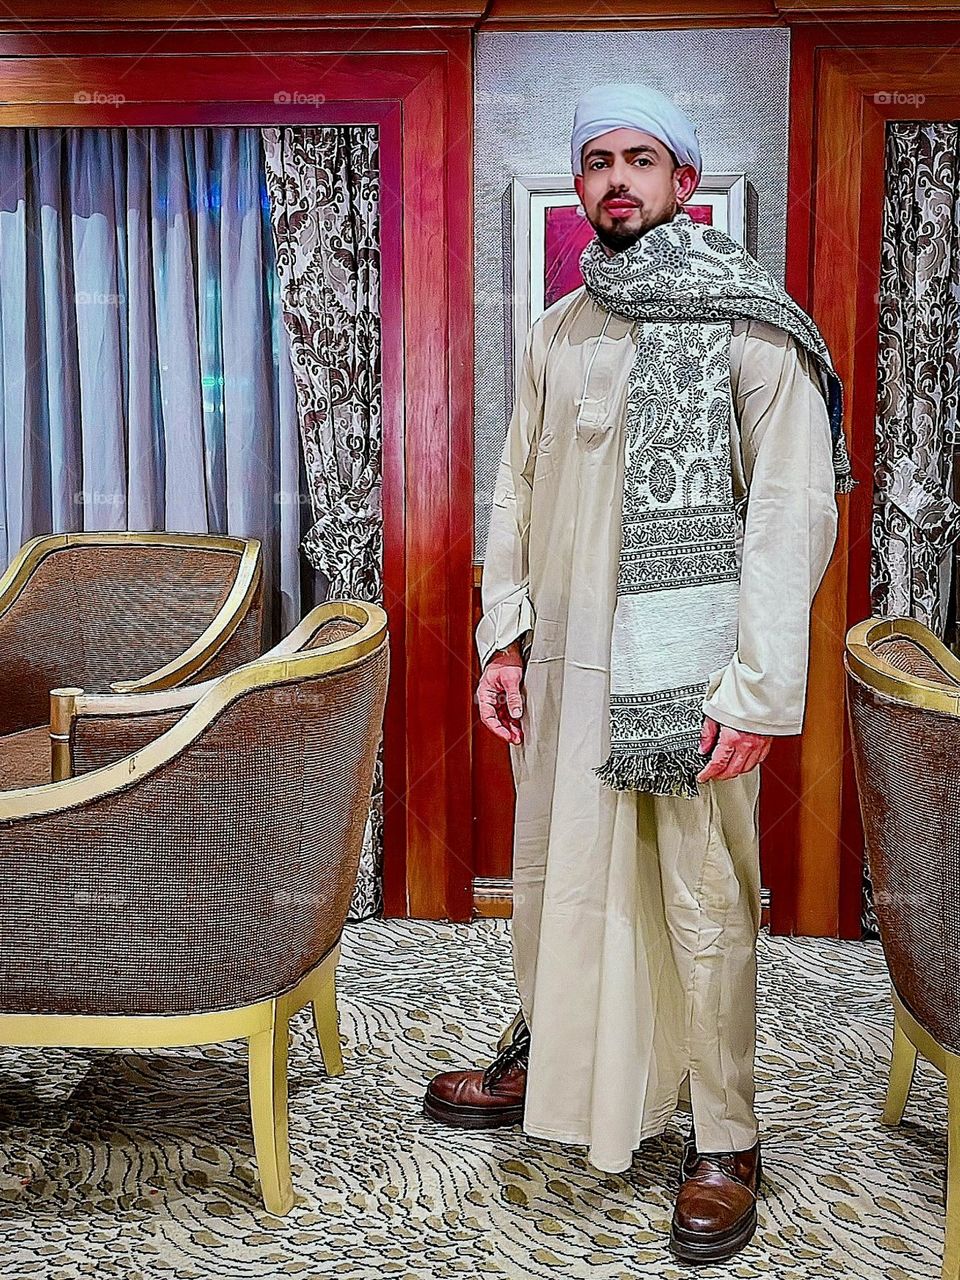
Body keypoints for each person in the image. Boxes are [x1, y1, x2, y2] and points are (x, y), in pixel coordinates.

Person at [424, 81, 850, 1265]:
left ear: (684, 183)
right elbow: (514, 486)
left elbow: (791, 516)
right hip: (564, 669)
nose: (616, 179)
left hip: (688, 679)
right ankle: (551, 1054)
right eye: (598, 160)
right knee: (556, 873)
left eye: (641, 160)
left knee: (702, 905)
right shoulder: (561, 326)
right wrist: (501, 637)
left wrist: (758, 690)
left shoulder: (753, 324)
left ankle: (726, 1134)